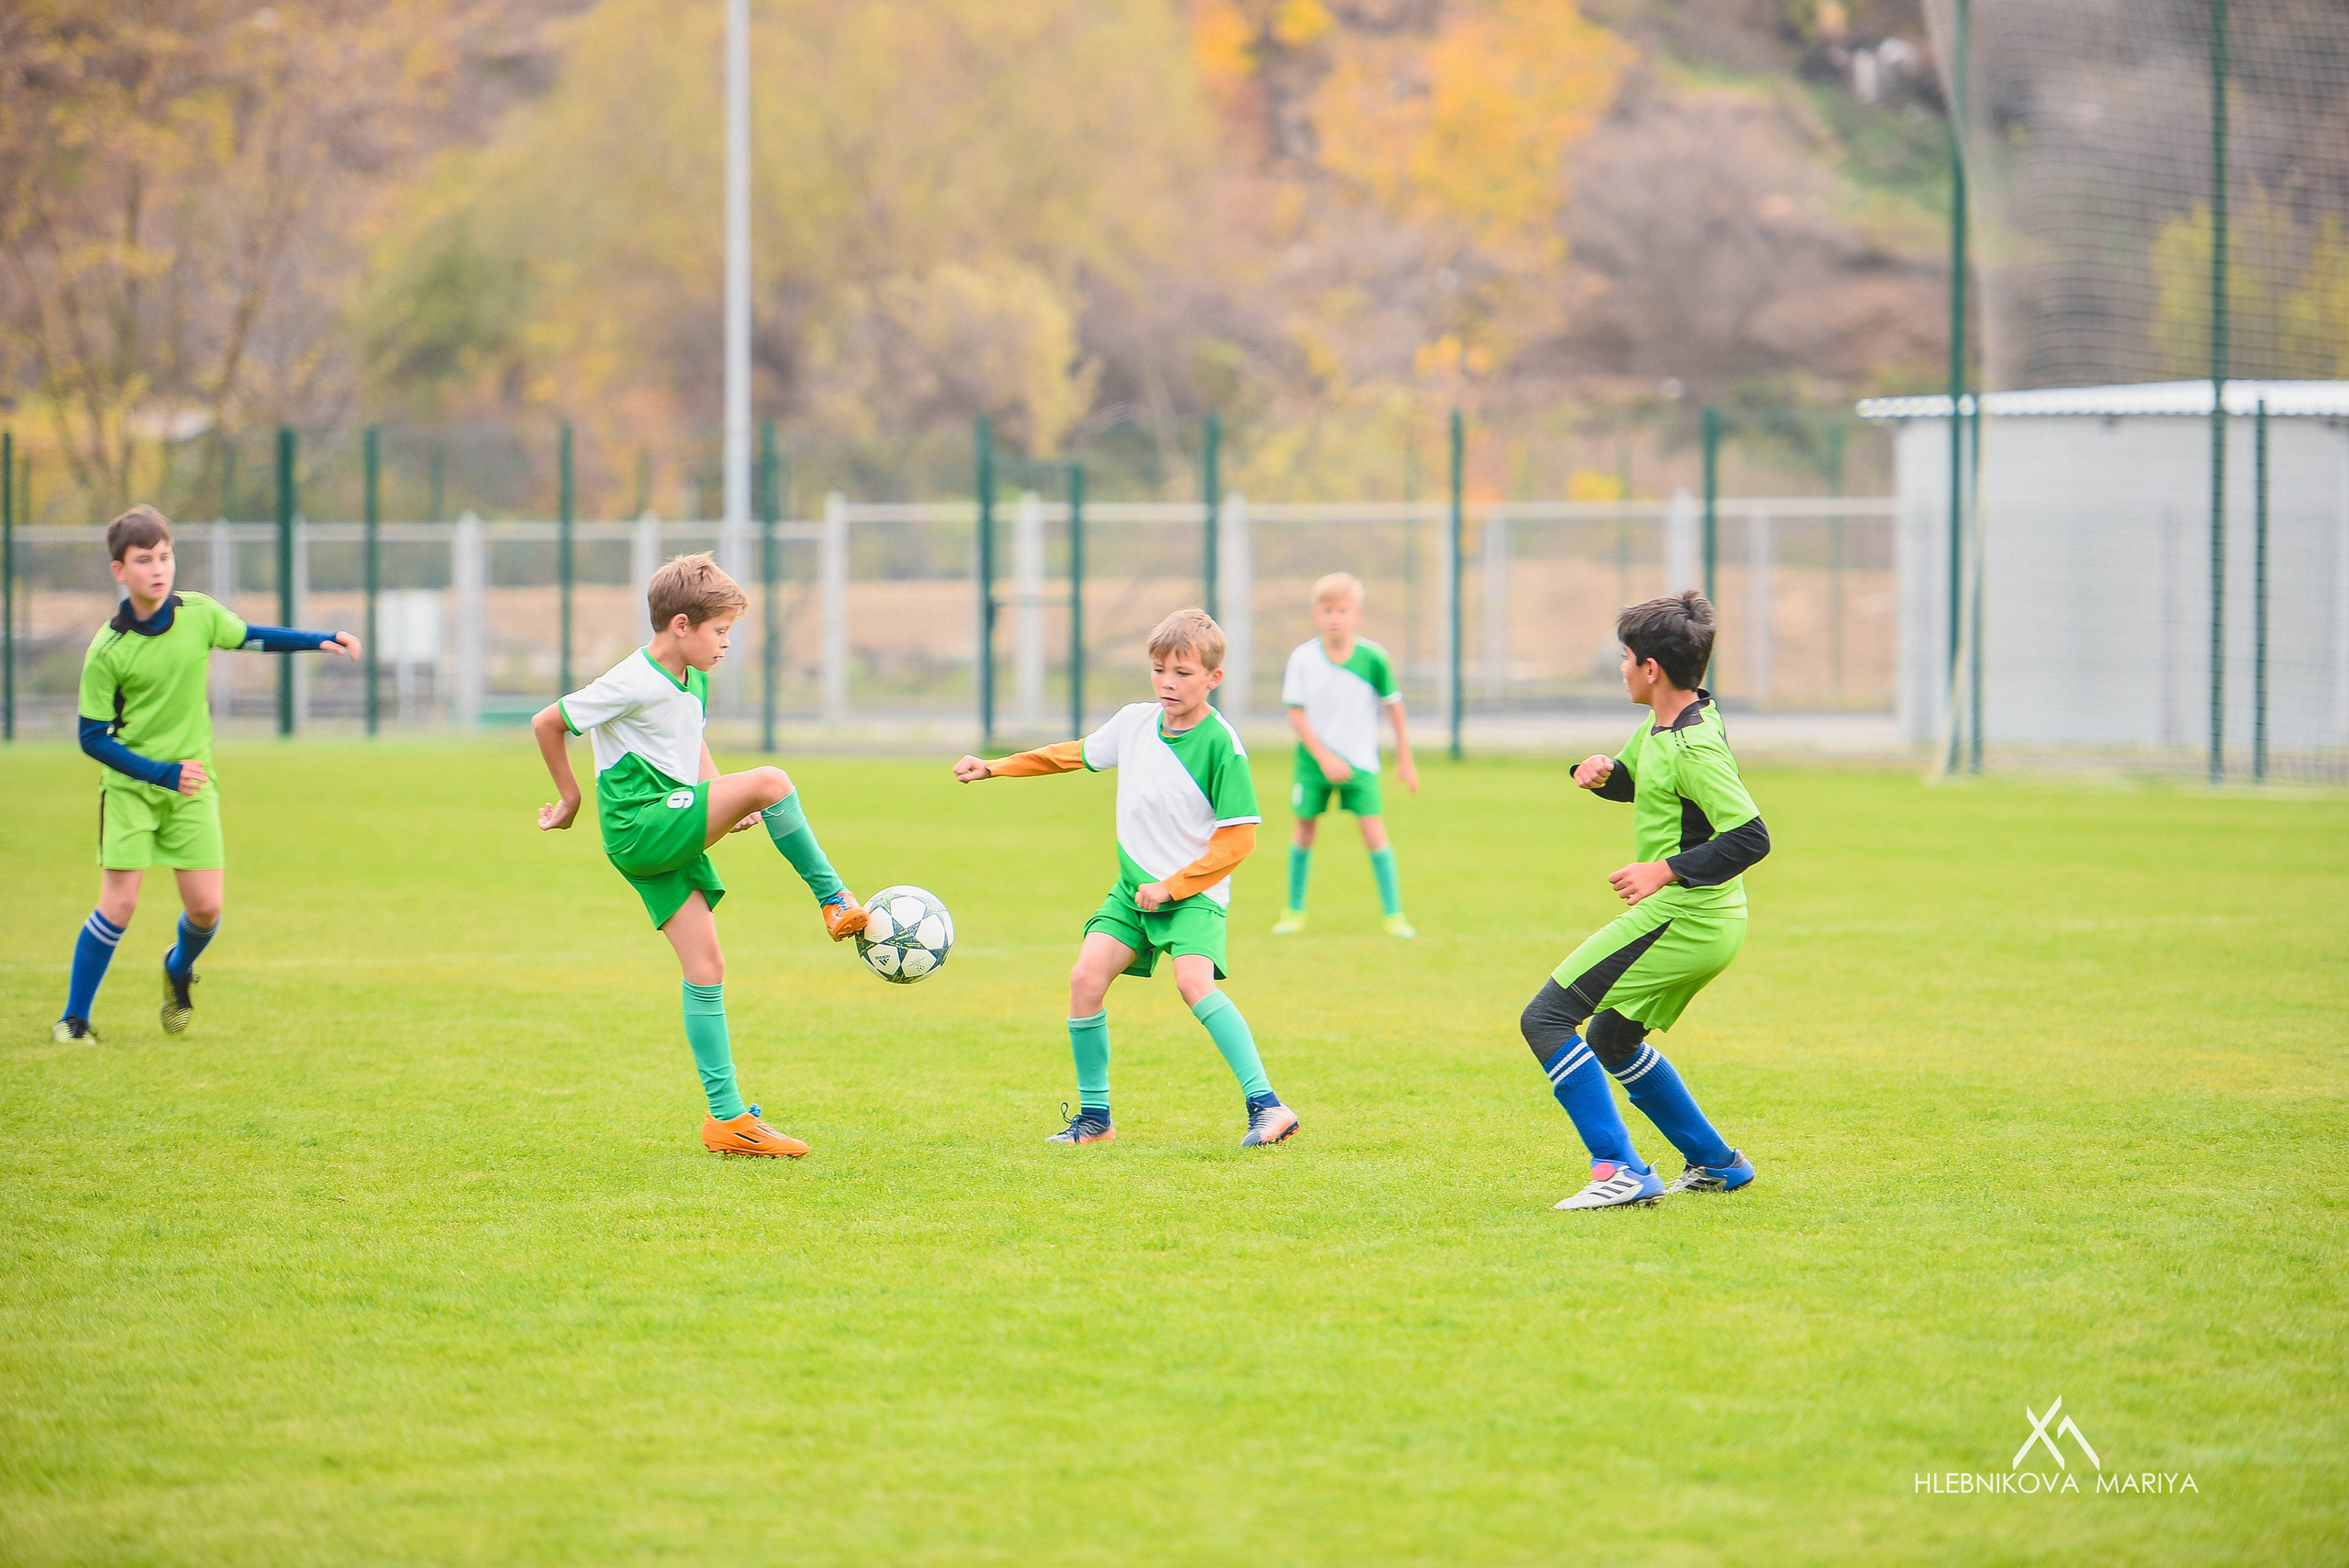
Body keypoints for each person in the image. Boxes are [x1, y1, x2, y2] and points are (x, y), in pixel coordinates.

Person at [530, 553, 868, 1159]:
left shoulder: (695, 677)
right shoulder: (632, 679)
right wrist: (570, 797)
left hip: (667, 817)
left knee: (706, 967)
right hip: (642, 823)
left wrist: (718, 795)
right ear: (680, 624)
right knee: (772, 779)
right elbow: (547, 721)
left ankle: (727, 1120)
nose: (727, 643)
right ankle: (834, 898)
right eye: (720, 631)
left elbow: (692, 737)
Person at [953, 608, 1298, 1149]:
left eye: (1183, 673)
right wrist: (995, 766)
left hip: (1193, 895)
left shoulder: (1220, 745)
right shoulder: (1135, 723)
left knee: (1193, 983)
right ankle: (1095, 1119)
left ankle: (1269, 1107)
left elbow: (1240, 841)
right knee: (1085, 980)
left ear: (1214, 678)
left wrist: (1174, 887)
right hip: (1133, 890)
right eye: (1160, 669)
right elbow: (1069, 755)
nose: (1168, 682)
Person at [54, 505, 361, 1043]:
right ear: (119, 571)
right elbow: (91, 737)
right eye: (144, 559)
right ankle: (74, 1019)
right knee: (120, 903)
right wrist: (158, 773)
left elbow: (252, 637)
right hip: (132, 789)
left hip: (192, 784)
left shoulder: (197, 613)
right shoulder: (108, 650)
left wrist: (319, 638)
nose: (158, 569)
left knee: (206, 908)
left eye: (166, 557)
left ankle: (177, 968)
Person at [1521, 590, 1766, 1210]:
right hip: (1701, 917)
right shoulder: (1668, 725)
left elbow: (1751, 836)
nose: (1622, 668)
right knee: (1611, 1038)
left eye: (1625, 658)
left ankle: (1619, 1170)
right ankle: (1716, 1161)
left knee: (1546, 1018)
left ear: (1650, 668)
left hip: (1688, 916)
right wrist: (1603, 776)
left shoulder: (1694, 746)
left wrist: (1665, 870)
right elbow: (1648, 784)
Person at [1272, 572, 1418, 937]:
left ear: (1357, 615)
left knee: (1374, 833)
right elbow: (1295, 713)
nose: (1334, 616)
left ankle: (1394, 915)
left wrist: (1404, 757)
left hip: (1361, 764)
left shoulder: (1373, 658)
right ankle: (1294, 911)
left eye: (1342, 609)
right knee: (1304, 830)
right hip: (1312, 763)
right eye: (1327, 609)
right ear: (1315, 614)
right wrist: (1322, 757)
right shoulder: (1303, 659)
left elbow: (1394, 707)